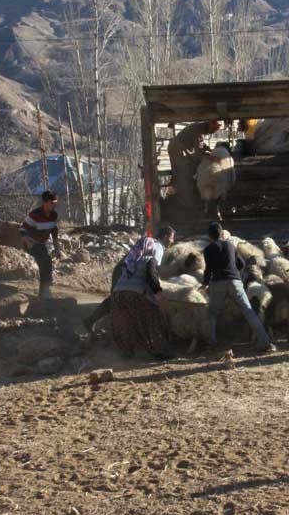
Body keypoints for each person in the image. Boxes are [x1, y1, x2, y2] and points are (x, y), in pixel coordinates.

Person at [83, 226, 176, 332]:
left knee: (117, 298)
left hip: (122, 268)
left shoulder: (149, 242)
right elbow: (151, 268)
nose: (173, 241)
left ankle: (92, 321)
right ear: (165, 237)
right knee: (137, 299)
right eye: (172, 238)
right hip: (127, 273)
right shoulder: (159, 247)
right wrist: (157, 292)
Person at [202, 222, 276, 353]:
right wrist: (235, 272)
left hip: (218, 283)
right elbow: (241, 264)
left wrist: (205, 283)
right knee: (249, 311)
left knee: (212, 313)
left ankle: (212, 342)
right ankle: (266, 343)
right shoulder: (230, 246)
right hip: (235, 282)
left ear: (210, 236)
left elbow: (208, 269)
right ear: (221, 234)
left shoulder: (208, 249)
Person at [110, 232, 174, 360]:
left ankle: (128, 352)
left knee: (127, 322)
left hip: (118, 295)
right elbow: (152, 274)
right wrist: (158, 292)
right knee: (153, 317)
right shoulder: (150, 259)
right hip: (134, 295)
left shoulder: (131, 260)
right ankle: (158, 350)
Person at [167, 120, 222, 212]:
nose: (216, 130)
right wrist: (211, 158)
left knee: (189, 169)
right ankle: (186, 204)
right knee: (185, 173)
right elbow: (198, 153)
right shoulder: (199, 131)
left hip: (180, 149)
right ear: (211, 123)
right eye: (217, 126)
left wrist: (209, 150)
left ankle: (184, 197)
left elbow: (201, 145)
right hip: (177, 150)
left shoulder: (200, 129)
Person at [21, 191, 63, 299]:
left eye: (55, 203)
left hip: (41, 244)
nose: (54, 205)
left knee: (47, 263)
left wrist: (57, 249)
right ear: (44, 203)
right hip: (31, 243)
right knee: (45, 261)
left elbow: (54, 233)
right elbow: (22, 230)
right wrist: (27, 241)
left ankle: (45, 289)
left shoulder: (54, 215)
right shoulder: (35, 215)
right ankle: (44, 291)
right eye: (52, 203)